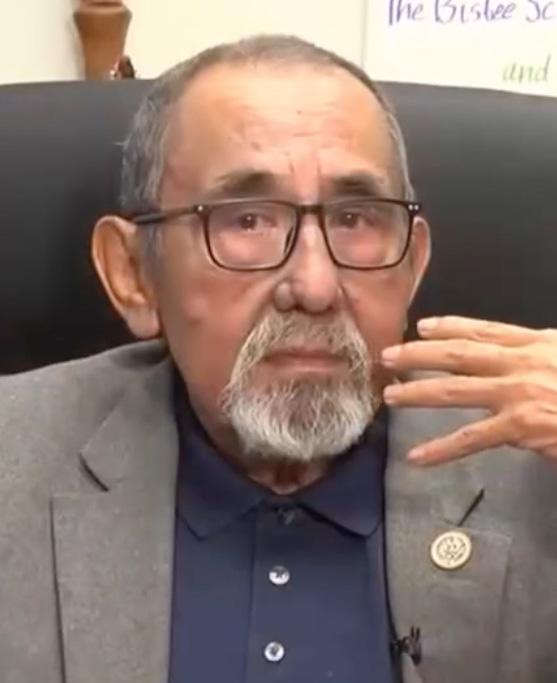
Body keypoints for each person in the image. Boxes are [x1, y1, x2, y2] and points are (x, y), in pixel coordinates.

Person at [1, 35, 557, 683]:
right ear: (133, 274)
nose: (315, 287)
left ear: (412, 265)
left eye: (355, 218)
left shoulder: (534, 470)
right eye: (246, 220)